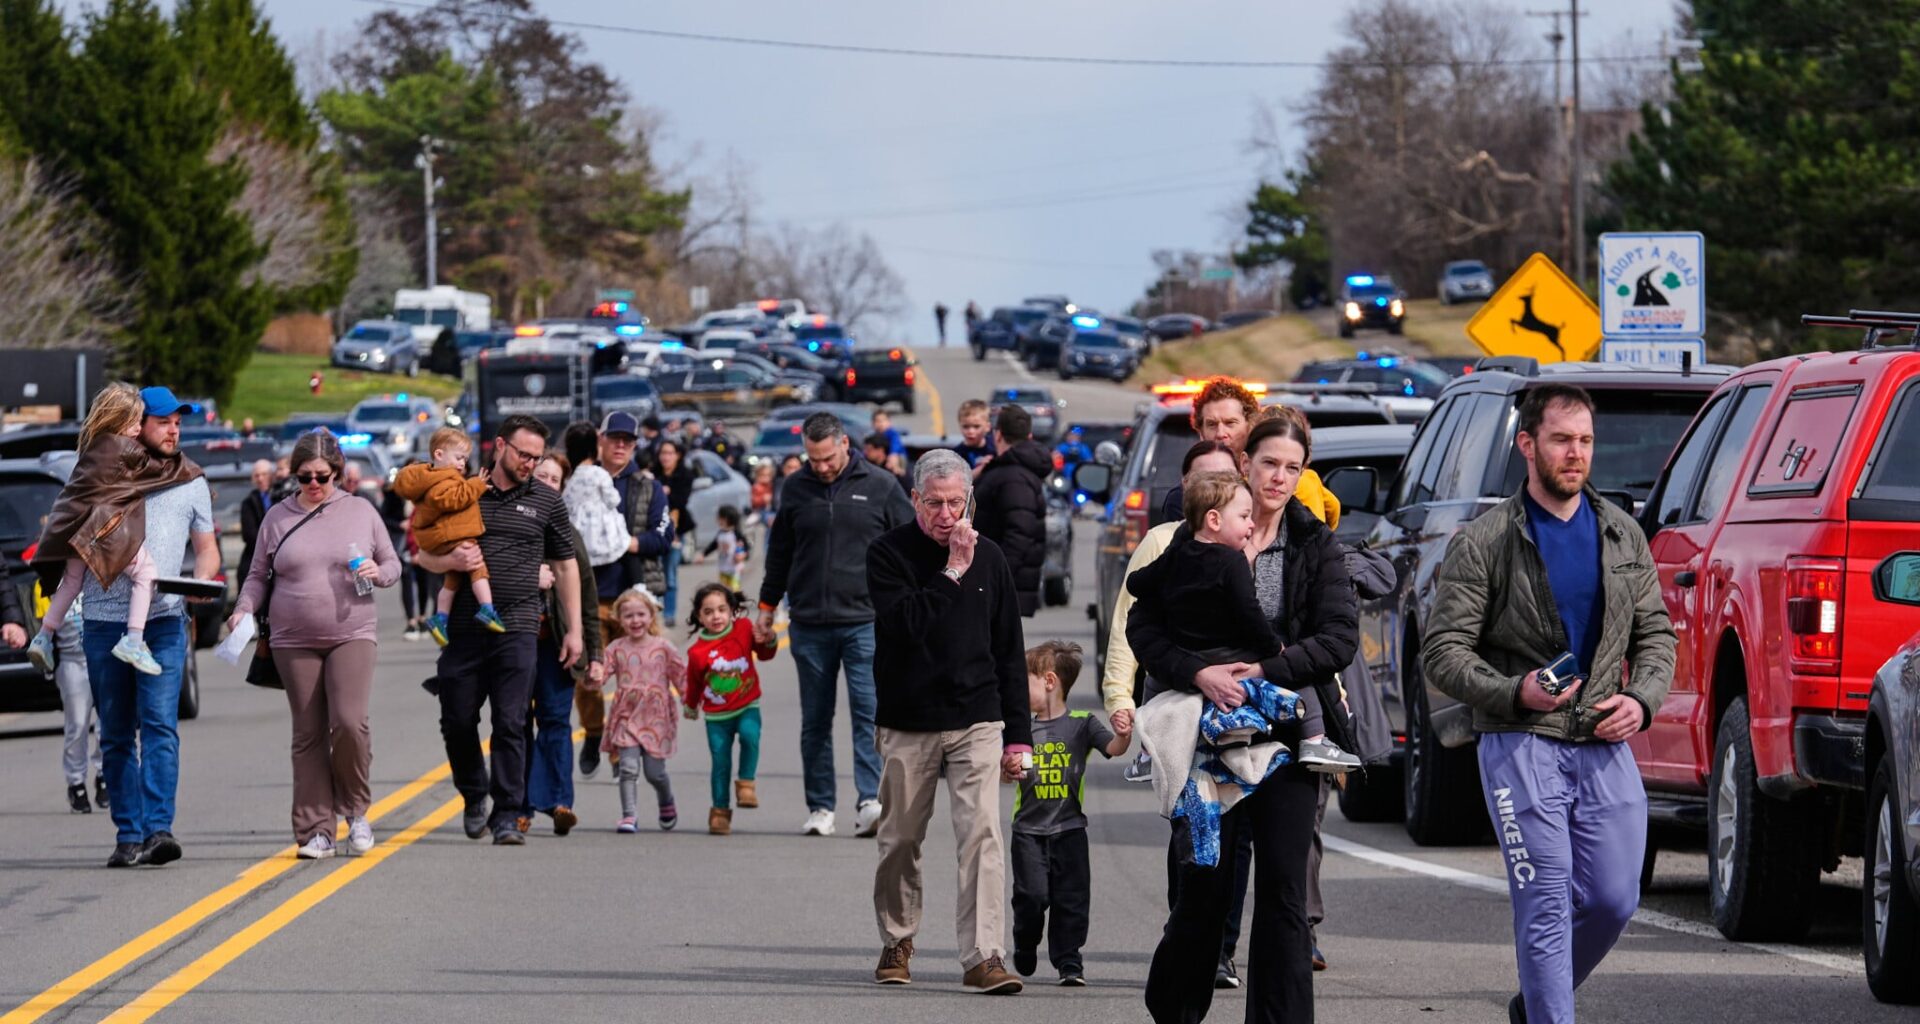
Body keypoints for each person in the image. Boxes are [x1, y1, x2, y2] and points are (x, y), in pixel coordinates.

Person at [1422, 383, 1675, 1024]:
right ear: (1527, 445)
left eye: (1585, 441)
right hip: (1520, 740)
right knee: (1546, 899)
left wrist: (1642, 702)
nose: (1576, 454)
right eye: (1562, 440)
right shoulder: (1484, 540)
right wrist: (1515, 690)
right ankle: (1551, 1014)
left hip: (1603, 736)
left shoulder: (1622, 534)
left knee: (1616, 898)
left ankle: (1536, 1004)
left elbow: (1656, 636)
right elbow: (1443, 653)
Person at [1129, 411, 1358, 1023]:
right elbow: (1142, 624)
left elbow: (1338, 639)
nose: (1280, 478)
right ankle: (1175, 1006)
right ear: (1245, 464)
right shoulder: (1198, 534)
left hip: (1282, 733)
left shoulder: (1314, 542)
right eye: (1269, 465)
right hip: (1204, 731)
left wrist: (1266, 671)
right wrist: (1194, 672)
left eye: (1293, 467)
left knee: (1284, 891)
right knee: (1205, 884)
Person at [865, 448, 1031, 993]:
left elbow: (1009, 649)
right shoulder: (887, 554)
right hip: (908, 719)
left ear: (970, 502)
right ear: (914, 499)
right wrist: (953, 572)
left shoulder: (994, 558)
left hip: (977, 717)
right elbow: (906, 624)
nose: (945, 515)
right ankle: (898, 937)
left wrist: (1019, 738)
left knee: (982, 835)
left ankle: (983, 955)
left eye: (955, 503)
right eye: (933, 503)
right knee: (899, 839)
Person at [229, 430, 400, 859]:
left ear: (337, 473)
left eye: (322, 476)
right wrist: (243, 609)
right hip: (292, 639)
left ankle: (356, 811)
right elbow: (256, 575)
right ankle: (315, 831)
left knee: (348, 722)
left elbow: (392, 561)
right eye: (304, 477)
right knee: (307, 733)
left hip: (351, 632)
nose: (313, 485)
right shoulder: (277, 518)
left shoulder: (360, 510)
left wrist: (380, 574)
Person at [413, 414, 582, 846]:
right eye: (523, 454)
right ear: (500, 446)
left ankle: (508, 813)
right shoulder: (458, 491)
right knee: (457, 719)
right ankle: (474, 794)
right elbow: (424, 554)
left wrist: (575, 630)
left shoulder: (547, 501)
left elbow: (565, 566)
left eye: (537, 457)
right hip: (464, 630)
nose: (529, 463)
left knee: (511, 721)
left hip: (519, 624)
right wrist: (448, 563)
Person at [70, 386, 218, 868]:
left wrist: (203, 579)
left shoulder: (191, 479)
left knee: (159, 725)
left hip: (165, 622)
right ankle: (128, 834)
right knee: (114, 731)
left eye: (179, 421)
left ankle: (159, 830)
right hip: (102, 624)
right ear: (137, 426)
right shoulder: (103, 475)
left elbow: (207, 547)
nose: (174, 429)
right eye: (164, 421)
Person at [757, 412, 913, 838]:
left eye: (827, 457)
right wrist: (766, 607)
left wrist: (907, 604)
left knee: (868, 714)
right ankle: (820, 806)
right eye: (813, 459)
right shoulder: (795, 488)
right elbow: (780, 553)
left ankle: (870, 801)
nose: (821, 466)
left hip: (865, 621)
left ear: (845, 444)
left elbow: (909, 548)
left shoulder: (880, 485)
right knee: (816, 719)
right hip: (808, 623)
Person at [28, 383, 201, 678]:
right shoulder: (124, 448)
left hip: (77, 531)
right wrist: (193, 470)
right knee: (145, 573)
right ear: (117, 421)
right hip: (105, 531)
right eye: (134, 421)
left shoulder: (90, 449)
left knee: (70, 584)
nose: (137, 428)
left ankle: (44, 636)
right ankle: (134, 639)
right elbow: (160, 469)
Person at [1010, 640, 1129, 986]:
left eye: (1024, 682)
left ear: (1049, 681)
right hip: (1028, 831)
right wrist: (1009, 768)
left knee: (1072, 899)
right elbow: (1004, 772)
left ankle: (1069, 960)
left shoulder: (1082, 723)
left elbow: (1114, 748)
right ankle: (1026, 938)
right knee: (1032, 895)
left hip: (1070, 829)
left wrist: (1124, 734)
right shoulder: (1021, 729)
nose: (1018, 690)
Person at [580, 411, 675, 778]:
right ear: (600, 439)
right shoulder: (582, 479)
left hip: (633, 598)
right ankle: (593, 733)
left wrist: (626, 543)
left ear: (635, 444)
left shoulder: (648, 487)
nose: (621, 445)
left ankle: (624, 749)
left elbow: (663, 536)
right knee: (588, 676)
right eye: (614, 438)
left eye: (628, 440)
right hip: (590, 597)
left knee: (634, 681)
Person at [517, 453, 605, 837]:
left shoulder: (568, 533)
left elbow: (587, 598)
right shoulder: (509, 523)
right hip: (515, 642)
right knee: (516, 724)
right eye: (542, 476)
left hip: (557, 644)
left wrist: (595, 653)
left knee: (554, 720)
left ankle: (559, 803)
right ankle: (518, 806)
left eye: (556, 479)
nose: (549, 483)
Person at [392, 428, 504, 645]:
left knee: (452, 580)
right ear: (439, 455)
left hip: (446, 537)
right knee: (478, 567)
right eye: (459, 457)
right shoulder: (442, 479)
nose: (462, 463)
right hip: (455, 536)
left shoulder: (438, 478)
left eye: (465, 459)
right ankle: (487, 608)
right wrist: (476, 485)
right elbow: (452, 499)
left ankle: (441, 618)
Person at [684, 584, 779, 835]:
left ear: (732, 611)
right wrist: (691, 706)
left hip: (747, 704)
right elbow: (693, 684)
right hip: (716, 716)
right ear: (698, 616)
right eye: (708, 611)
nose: (716, 616)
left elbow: (765, 654)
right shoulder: (696, 652)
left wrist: (769, 640)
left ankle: (746, 784)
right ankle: (719, 813)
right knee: (720, 762)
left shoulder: (744, 629)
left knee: (751, 737)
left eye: (721, 610)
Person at [601, 586, 685, 833]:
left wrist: (690, 701)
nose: (635, 620)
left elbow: (680, 676)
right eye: (628, 616)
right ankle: (629, 816)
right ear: (619, 619)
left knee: (654, 773)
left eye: (641, 614)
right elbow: (601, 675)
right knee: (627, 768)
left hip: (655, 718)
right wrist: (592, 673)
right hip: (626, 715)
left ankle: (666, 800)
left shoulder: (664, 647)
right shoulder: (616, 648)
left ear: (651, 616)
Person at [971, 405, 1048, 618]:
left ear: (997, 435)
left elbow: (1019, 532)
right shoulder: (1006, 471)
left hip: (998, 588)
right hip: (995, 585)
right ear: (1029, 435)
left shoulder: (1013, 477)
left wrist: (994, 579)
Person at [561, 420, 630, 572]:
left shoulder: (568, 477)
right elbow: (613, 500)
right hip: (601, 534)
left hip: (577, 533)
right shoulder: (599, 473)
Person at [654, 439, 695, 618]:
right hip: (654, 530)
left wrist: (666, 493)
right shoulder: (653, 474)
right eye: (663, 453)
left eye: (670, 453)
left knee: (670, 573)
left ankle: (669, 613)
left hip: (676, 531)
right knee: (655, 573)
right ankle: (655, 611)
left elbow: (681, 501)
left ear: (677, 455)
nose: (666, 457)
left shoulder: (684, 475)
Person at [237, 458, 274, 594]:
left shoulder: (280, 496)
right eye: (257, 475)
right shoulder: (248, 502)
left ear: (271, 476)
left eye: (264, 474)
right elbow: (249, 535)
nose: (260, 479)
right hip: (255, 554)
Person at [703, 505, 749, 591]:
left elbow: (746, 548)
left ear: (728, 519)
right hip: (723, 567)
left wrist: (742, 556)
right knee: (724, 591)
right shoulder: (720, 533)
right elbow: (713, 545)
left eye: (720, 517)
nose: (717, 519)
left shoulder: (736, 534)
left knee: (734, 590)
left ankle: (735, 604)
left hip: (734, 569)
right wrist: (704, 554)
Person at [952, 399, 994, 470]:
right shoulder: (957, 455)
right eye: (965, 426)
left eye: (976, 426)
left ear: (987, 427)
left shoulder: (995, 448)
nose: (970, 431)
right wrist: (982, 467)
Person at [870, 409, 907, 474]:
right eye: (877, 421)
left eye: (883, 421)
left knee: (894, 458)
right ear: (873, 424)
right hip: (880, 461)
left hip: (896, 458)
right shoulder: (873, 437)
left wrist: (892, 455)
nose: (880, 424)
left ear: (889, 422)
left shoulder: (893, 434)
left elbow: (895, 446)